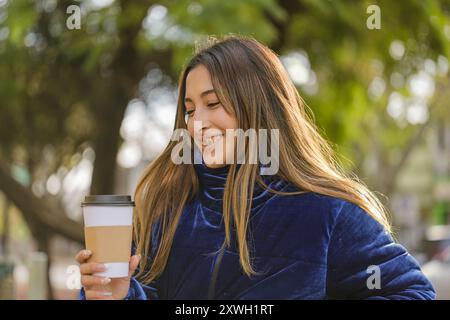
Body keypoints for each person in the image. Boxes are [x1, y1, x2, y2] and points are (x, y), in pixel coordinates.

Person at [76, 35, 435, 300]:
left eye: (212, 103)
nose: (196, 123)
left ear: (256, 106)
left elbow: (414, 294)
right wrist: (113, 295)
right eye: (189, 109)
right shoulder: (164, 214)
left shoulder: (327, 215)